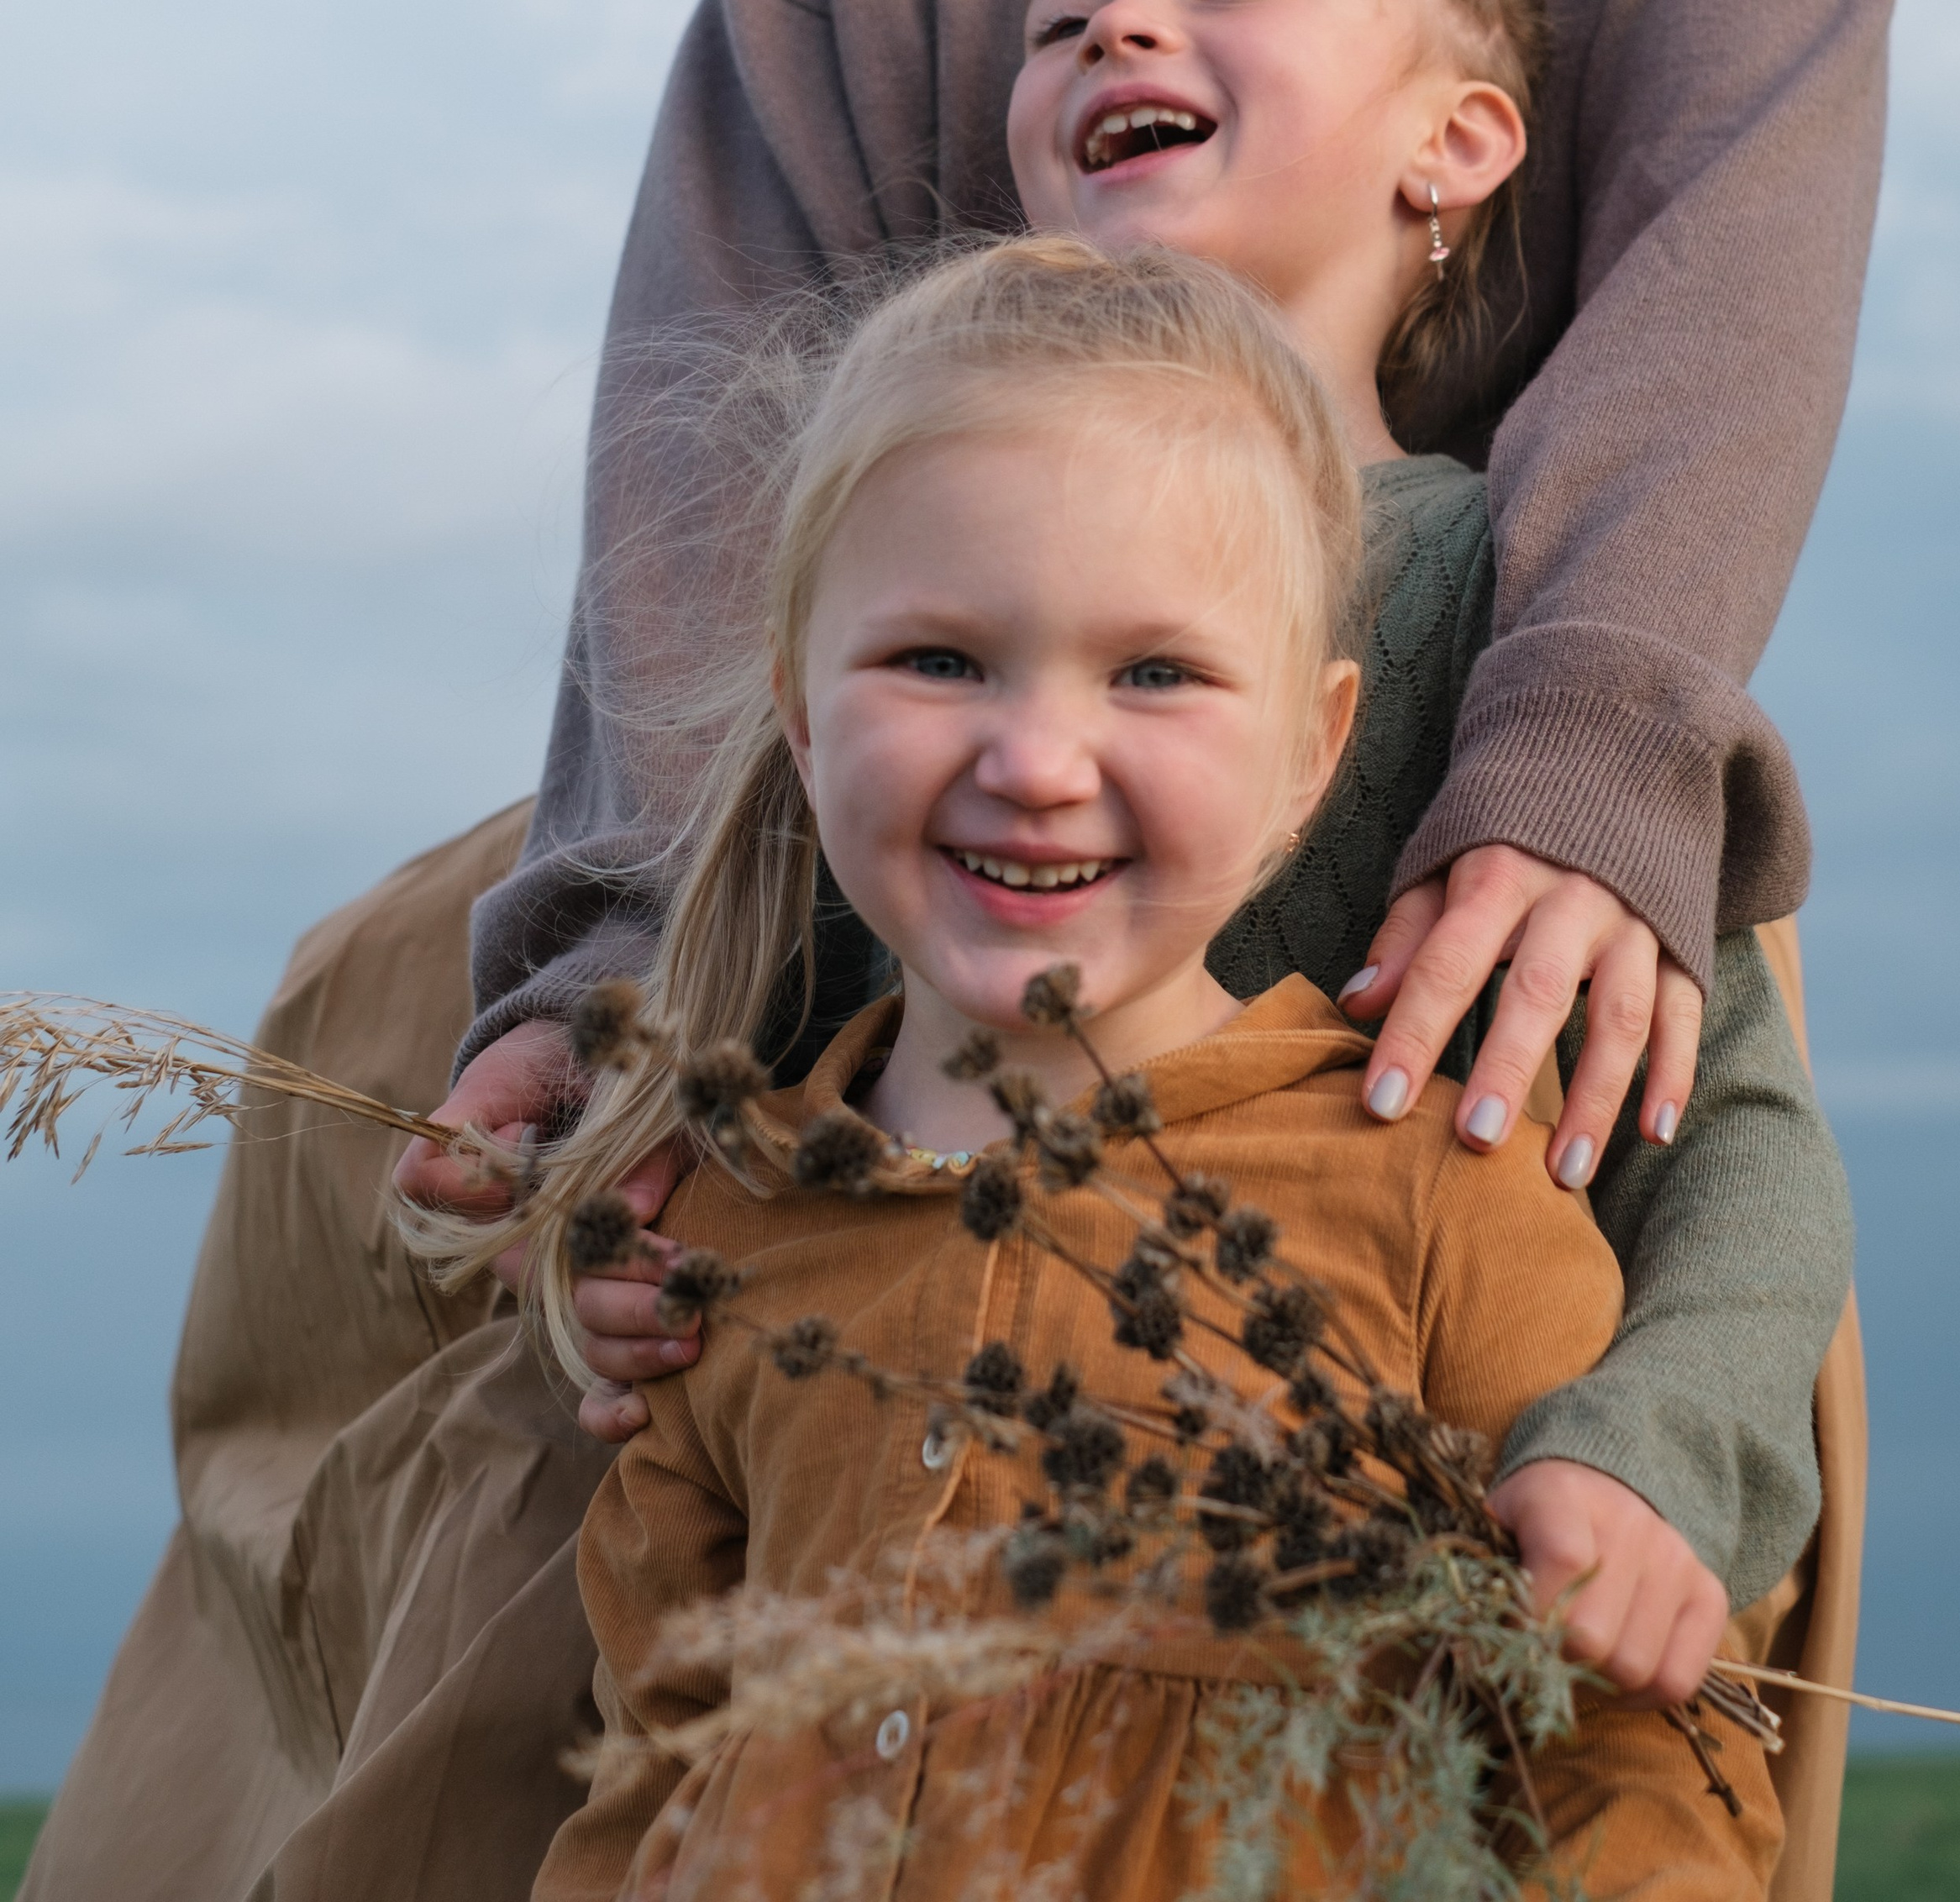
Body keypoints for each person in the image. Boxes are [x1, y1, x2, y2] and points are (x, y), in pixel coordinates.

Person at [24, 0, 1888, 1902]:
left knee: (1520, 1679)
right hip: (869, 900)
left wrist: (1573, 777)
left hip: (1461, 851)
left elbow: (1716, 345)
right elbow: (704, 444)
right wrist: (628, 964)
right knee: (552, 1644)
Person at [484, 234, 1789, 1901]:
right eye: (937, 660)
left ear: (1312, 752)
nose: (1034, 762)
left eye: (1155, 674)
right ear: (801, 718)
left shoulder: (1430, 1184)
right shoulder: (727, 1250)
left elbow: (1627, 1754)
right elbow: (652, 1767)